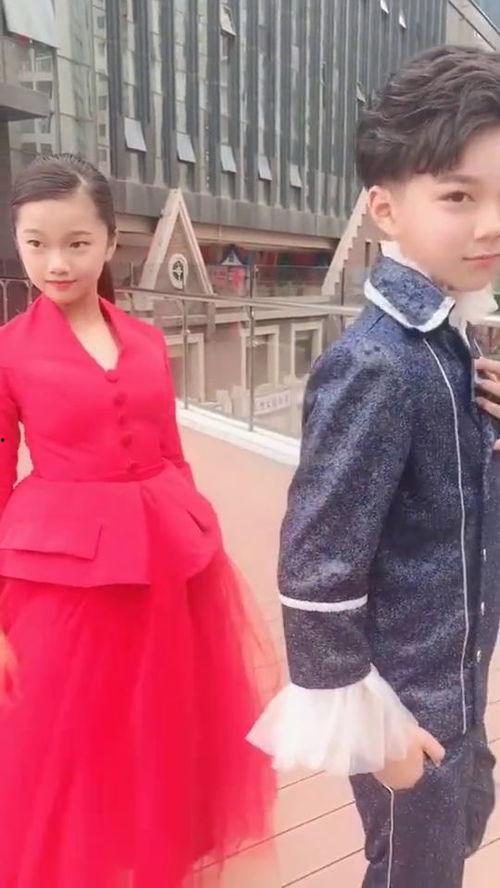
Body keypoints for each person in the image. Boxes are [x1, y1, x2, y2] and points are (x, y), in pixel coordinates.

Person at [249, 45, 500, 887]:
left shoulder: (452, 343)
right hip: (407, 710)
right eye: (459, 196)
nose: (491, 223)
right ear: (385, 209)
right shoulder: (379, 363)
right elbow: (315, 570)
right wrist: (375, 733)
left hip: (456, 681)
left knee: (449, 847)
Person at [0, 154, 277, 888]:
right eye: (36, 244)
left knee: (158, 724)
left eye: (77, 243)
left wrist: (196, 531)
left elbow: (171, 450)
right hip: (61, 578)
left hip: (168, 561)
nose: (56, 263)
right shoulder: (8, 352)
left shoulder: (147, 339)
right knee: (67, 737)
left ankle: (147, 854)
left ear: (110, 241)